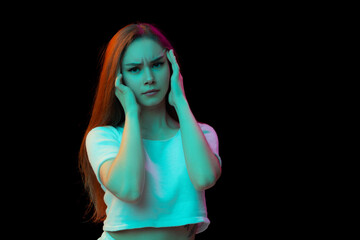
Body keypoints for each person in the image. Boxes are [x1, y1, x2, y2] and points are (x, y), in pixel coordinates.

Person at [79, 23, 222, 240]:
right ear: (119, 78)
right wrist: (132, 114)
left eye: (157, 64)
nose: (149, 78)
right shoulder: (104, 137)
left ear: (172, 67)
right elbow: (129, 189)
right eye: (134, 69)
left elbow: (204, 178)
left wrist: (181, 102)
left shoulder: (202, 133)